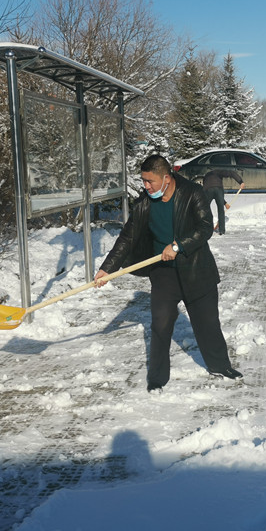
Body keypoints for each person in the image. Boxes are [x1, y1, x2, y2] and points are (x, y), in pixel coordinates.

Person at [94, 155, 243, 392]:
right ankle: (157, 378)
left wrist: (177, 246)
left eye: (149, 181)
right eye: (143, 181)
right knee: (160, 325)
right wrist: (107, 268)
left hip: (196, 270)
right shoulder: (145, 202)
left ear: (166, 177)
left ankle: (220, 366)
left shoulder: (193, 192)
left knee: (208, 323)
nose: (146, 186)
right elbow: (127, 237)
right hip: (163, 274)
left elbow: (205, 227)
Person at [202, 169, 245, 235]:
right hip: (218, 189)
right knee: (220, 210)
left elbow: (205, 188)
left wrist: (225, 203)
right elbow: (231, 173)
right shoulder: (218, 171)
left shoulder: (206, 175)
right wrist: (241, 182)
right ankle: (221, 231)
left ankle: (205, 229)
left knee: (205, 209)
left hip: (207, 189)